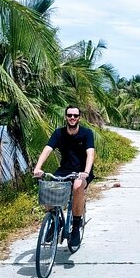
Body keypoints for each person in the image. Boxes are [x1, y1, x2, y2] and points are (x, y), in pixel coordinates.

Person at [33, 105, 95, 247]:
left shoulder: (87, 133)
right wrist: (38, 167)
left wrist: (85, 172)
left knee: (78, 186)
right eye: (69, 115)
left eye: (75, 115)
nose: (72, 118)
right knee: (48, 188)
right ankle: (56, 221)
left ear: (79, 118)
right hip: (64, 170)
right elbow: (47, 149)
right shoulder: (59, 133)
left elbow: (90, 153)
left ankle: (75, 228)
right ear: (66, 117)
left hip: (82, 171)